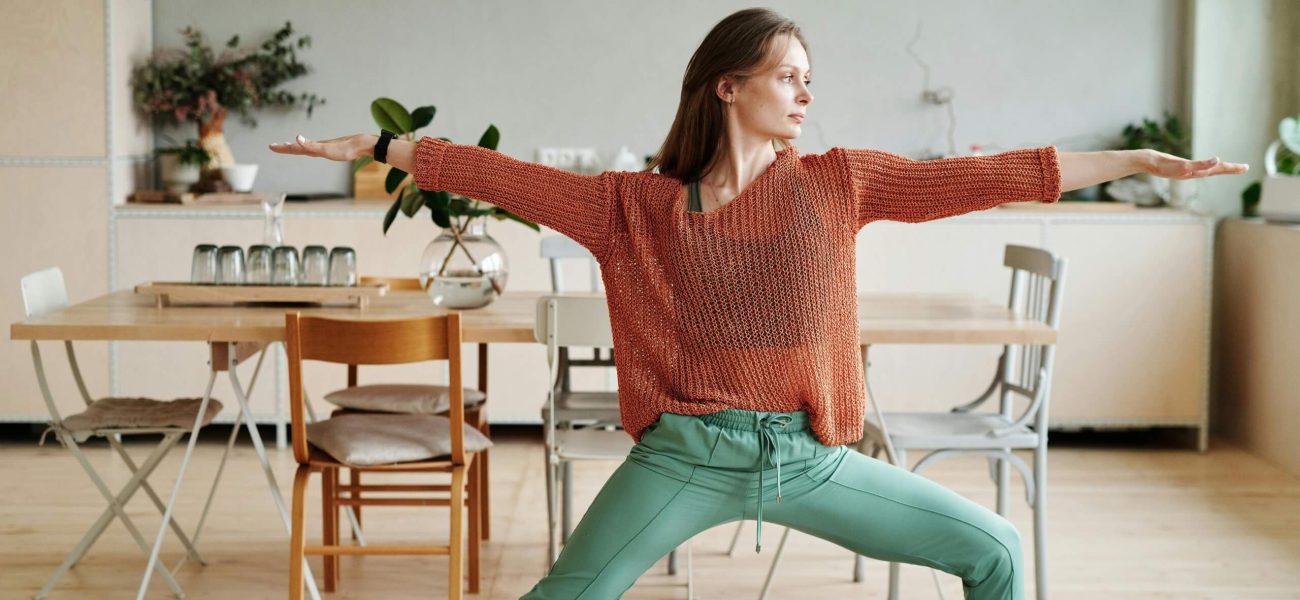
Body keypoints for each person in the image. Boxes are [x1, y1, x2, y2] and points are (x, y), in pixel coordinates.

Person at [271, 8, 1246, 599]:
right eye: (788, 75)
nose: (804, 93)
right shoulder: (633, 207)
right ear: (727, 85)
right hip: (683, 460)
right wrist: (380, 146)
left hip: (805, 461)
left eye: (810, 80)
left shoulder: (838, 183)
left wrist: (1128, 160)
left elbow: (981, 175)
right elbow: (506, 176)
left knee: (992, 551)